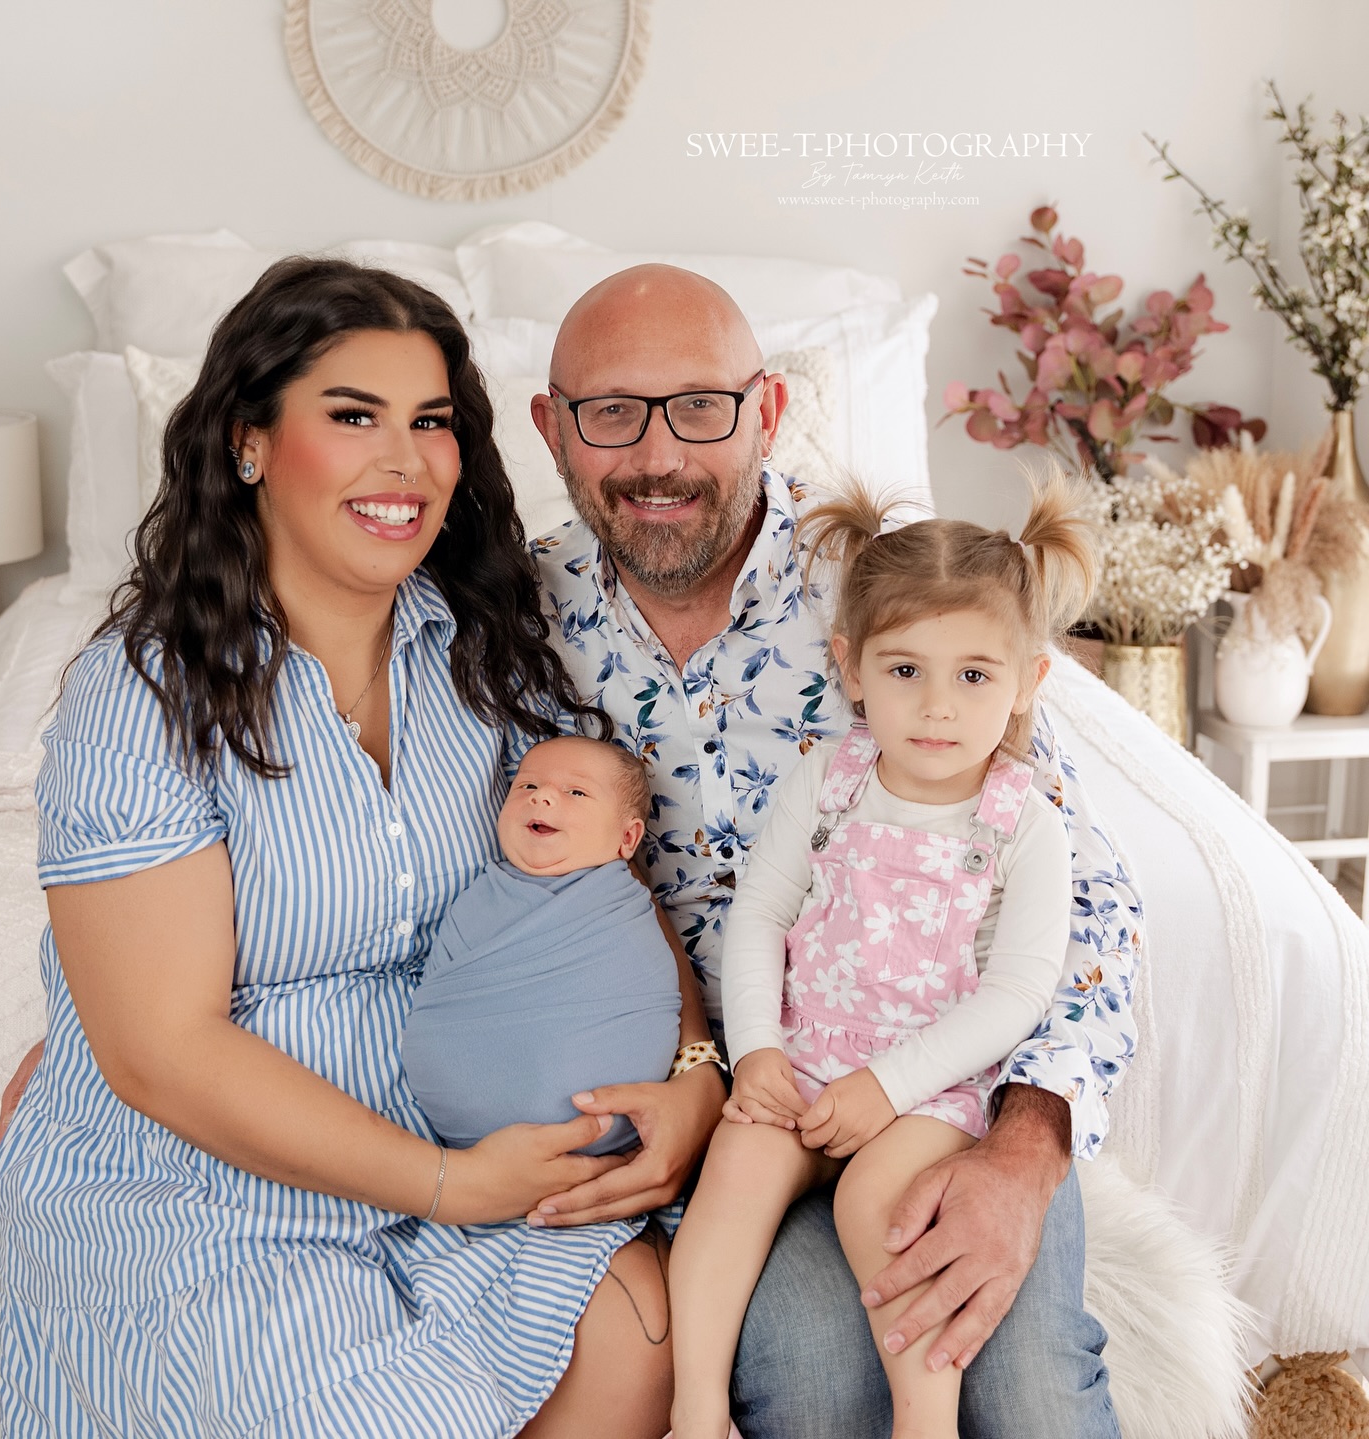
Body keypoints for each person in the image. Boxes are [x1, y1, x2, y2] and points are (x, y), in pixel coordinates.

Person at [0, 257, 722, 1438]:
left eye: (430, 422)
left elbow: (599, 892)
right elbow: (163, 1051)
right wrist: (447, 1183)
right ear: (250, 444)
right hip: (215, 1184)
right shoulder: (144, 695)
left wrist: (694, 1078)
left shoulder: (491, 654)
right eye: (352, 417)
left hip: (465, 1149)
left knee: (638, 1328)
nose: (405, 461)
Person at [526, 264, 1139, 1438]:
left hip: (942, 1083)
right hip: (752, 1085)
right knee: (808, 1380)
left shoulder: (910, 596)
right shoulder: (519, 619)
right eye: (612, 411)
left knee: (1023, 1374)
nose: (659, 454)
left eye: (700, 405)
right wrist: (718, 1063)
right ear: (553, 427)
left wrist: (1025, 1149)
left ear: (768, 408)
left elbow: (1092, 912)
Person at [667, 477, 1097, 1439]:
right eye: (905, 671)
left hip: (924, 1084)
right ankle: (695, 1410)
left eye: (975, 676)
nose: (937, 708)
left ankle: (924, 1418)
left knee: (881, 1197)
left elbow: (1020, 989)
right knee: (735, 1170)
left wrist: (888, 1084)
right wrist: (760, 1049)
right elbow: (762, 913)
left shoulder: (1022, 821)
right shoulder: (830, 778)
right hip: (807, 1056)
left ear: (1031, 679)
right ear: (850, 666)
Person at [401, 734, 684, 1156]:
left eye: (576, 791)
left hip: (605, 1119)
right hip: (456, 1138)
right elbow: (445, 995)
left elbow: (649, 992)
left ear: (628, 838)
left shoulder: (621, 909)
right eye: (526, 786)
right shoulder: (480, 895)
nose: (542, 797)